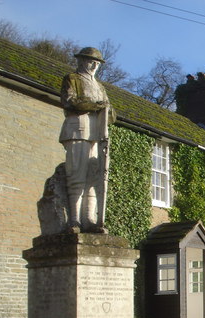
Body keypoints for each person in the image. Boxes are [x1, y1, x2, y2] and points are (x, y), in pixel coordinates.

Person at [59, 47, 115, 233]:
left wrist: (108, 110)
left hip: (97, 134)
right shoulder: (72, 79)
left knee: (93, 177)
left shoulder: (100, 87)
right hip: (78, 129)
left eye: (97, 63)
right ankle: (74, 220)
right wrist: (96, 105)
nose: (94, 65)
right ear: (81, 61)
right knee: (77, 175)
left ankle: (89, 219)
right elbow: (69, 101)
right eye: (91, 61)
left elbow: (111, 114)